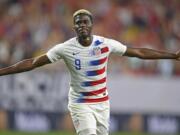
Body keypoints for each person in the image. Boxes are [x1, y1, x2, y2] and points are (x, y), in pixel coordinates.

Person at [0, 9, 180, 135]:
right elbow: (32, 63)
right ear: (74, 27)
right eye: (78, 23)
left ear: (92, 24)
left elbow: (139, 52)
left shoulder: (105, 44)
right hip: (80, 103)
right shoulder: (65, 48)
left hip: (102, 103)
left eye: (85, 22)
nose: (82, 25)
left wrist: (172, 55)